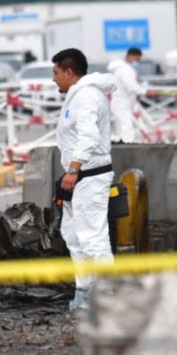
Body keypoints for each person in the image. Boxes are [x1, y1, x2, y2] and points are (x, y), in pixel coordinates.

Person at [53, 48, 117, 311]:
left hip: (88, 176)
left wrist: (74, 169)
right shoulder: (77, 96)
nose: (54, 79)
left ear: (69, 72)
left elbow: (88, 137)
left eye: (56, 73)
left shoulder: (87, 96)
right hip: (78, 177)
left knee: (93, 237)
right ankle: (84, 291)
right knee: (73, 235)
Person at [107, 48, 147, 143]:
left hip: (119, 104)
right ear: (130, 56)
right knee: (126, 130)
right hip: (122, 105)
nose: (137, 62)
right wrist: (145, 91)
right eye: (137, 59)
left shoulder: (120, 70)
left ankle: (119, 149)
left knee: (120, 130)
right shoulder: (125, 70)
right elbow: (132, 87)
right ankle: (127, 150)